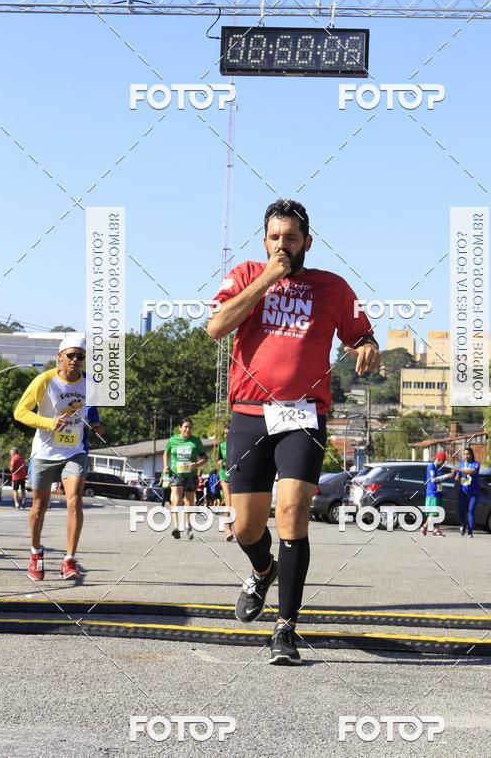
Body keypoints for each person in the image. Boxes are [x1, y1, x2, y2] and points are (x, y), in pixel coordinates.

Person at [208, 199, 379, 665]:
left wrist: (368, 347)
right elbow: (217, 326)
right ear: (264, 241)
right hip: (249, 413)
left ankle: (286, 628)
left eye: (291, 237)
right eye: (275, 237)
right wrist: (267, 279)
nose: (282, 244)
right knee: (246, 526)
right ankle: (263, 570)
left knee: (292, 512)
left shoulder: (332, 287)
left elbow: (360, 335)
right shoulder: (246, 275)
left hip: (303, 415)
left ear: (308, 242)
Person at [13, 333, 89, 581]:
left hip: (74, 451)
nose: (75, 360)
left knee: (74, 500)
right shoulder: (44, 380)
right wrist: (48, 422)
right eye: (71, 355)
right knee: (39, 506)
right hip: (45, 451)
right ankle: (36, 553)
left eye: (80, 356)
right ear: (60, 357)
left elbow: (92, 413)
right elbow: (20, 412)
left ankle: (69, 560)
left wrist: (97, 426)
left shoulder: (89, 384)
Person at [163, 418, 207, 541]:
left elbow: (204, 458)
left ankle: (188, 525)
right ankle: (176, 527)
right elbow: (166, 453)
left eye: (190, 427)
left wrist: (197, 464)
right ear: (180, 428)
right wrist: (165, 466)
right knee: (176, 500)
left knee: (189, 502)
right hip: (176, 473)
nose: (188, 429)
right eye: (185, 427)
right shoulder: (173, 440)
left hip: (191, 475)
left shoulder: (196, 441)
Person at [420, 450, 453, 538]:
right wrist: (446, 476)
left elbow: (439, 482)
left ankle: (436, 530)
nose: (443, 463)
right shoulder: (431, 467)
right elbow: (433, 480)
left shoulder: (439, 468)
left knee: (441, 512)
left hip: (439, 493)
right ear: (438, 459)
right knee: (433, 513)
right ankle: (424, 527)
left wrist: (443, 490)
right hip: (432, 493)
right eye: (443, 461)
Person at [455, 446, 481, 538]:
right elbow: (457, 478)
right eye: (465, 454)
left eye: (468, 454)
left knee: (471, 511)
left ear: (472, 455)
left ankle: (470, 531)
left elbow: (472, 471)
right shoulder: (461, 465)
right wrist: (455, 487)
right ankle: (463, 525)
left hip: (474, 492)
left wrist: (459, 470)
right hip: (463, 492)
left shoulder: (476, 464)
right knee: (461, 512)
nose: (466, 456)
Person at [219, 425, 234, 541]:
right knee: (228, 502)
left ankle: (233, 527)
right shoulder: (222, 445)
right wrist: (220, 462)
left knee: (235, 504)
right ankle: (227, 529)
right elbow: (219, 460)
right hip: (225, 474)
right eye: (224, 433)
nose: (225, 435)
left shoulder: (239, 444)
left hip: (237, 475)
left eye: (227, 433)